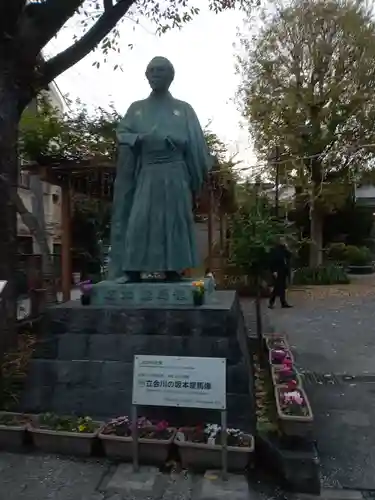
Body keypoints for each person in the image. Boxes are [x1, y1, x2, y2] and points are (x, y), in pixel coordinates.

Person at [108, 56, 212, 283]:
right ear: (146, 75)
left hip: (175, 173)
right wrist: (141, 138)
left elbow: (195, 145)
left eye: (161, 70)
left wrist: (174, 140)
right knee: (139, 219)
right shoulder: (136, 109)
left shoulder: (184, 110)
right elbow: (122, 133)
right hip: (147, 172)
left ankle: (173, 269)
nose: (155, 73)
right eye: (152, 70)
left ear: (170, 76)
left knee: (173, 220)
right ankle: (132, 270)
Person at [268, 236, 293, 309]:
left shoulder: (284, 249)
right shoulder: (275, 250)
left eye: (284, 240)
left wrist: (287, 247)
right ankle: (271, 302)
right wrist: (274, 271)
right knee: (277, 287)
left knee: (282, 287)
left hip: (283, 270)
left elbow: (289, 256)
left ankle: (283, 302)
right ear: (278, 241)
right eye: (282, 240)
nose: (283, 241)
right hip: (277, 271)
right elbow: (272, 261)